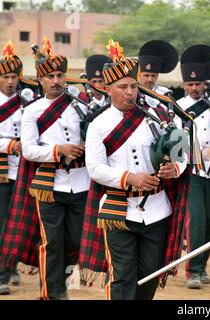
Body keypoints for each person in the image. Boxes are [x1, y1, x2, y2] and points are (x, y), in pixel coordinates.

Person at [85, 39, 189, 300]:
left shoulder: (161, 113)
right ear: (108, 89)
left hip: (156, 210)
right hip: (118, 210)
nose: (130, 92)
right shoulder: (99, 124)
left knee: (150, 276)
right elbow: (95, 168)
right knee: (122, 277)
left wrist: (175, 168)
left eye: (133, 85)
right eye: (123, 87)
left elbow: (182, 151)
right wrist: (130, 178)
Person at [17, 36, 90, 300]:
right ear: (41, 80)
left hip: (81, 183)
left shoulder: (81, 105)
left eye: (60, 75)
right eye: (50, 77)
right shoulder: (32, 111)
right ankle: (52, 293)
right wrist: (58, 151)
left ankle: (60, 285)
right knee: (52, 243)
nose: (56, 81)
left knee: (74, 242)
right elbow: (29, 150)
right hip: (49, 186)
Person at [177, 44, 210, 289]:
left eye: (198, 84)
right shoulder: (176, 107)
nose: (194, 87)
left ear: (204, 83)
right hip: (194, 172)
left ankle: (203, 264)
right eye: (190, 83)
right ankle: (193, 271)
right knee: (196, 221)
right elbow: (176, 148)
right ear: (185, 83)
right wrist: (200, 152)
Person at [0, 41, 23, 295]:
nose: (9, 81)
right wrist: (9, 145)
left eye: (13, 76)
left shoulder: (25, 102)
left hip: (22, 171)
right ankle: (2, 274)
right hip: (2, 170)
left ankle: (11, 265)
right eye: (5, 76)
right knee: (2, 223)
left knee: (16, 222)